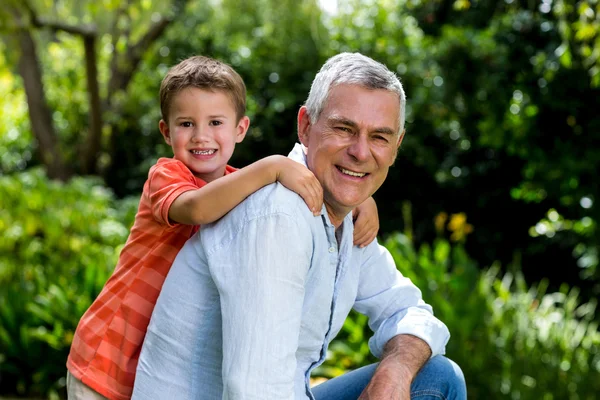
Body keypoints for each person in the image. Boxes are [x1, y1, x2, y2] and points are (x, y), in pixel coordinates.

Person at [132, 52, 467, 399]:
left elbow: (408, 309)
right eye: (344, 128)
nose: (361, 152)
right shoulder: (278, 216)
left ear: (396, 146)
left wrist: (395, 371)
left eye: (380, 137)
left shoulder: (347, 217)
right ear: (305, 126)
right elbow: (255, 390)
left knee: (436, 377)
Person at [66, 55, 380, 400]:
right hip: (106, 359)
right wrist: (273, 166)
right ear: (166, 131)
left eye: (216, 122)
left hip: (152, 364)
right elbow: (197, 207)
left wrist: (358, 199)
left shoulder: (240, 188)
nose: (202, 136)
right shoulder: (166, 175)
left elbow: (310, 185)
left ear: (240, 129)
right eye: (186, 124)